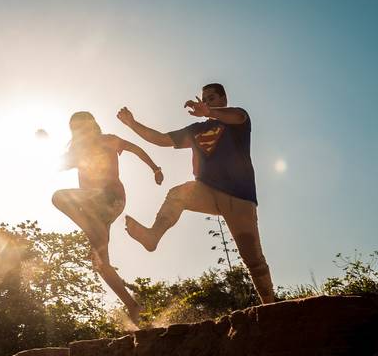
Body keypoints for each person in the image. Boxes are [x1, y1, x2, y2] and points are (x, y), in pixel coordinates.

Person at [116, 83, 275, 304]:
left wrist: (211, 112)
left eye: (211, 98)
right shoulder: (195, 131)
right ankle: (153, 236)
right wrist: (132, 124)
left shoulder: (237, 120)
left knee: (253, 259)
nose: (206, 102)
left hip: (239, 196)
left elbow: (237, 116)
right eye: (204, 99)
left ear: (223, 99)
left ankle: (270, 303)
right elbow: (162, 139)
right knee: (177, 194)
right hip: (206, 190)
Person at [52, 111, 164, 326]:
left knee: (60, 196)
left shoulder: (109, 140)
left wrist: (155, 168)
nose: (81, 132)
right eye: (76, 129)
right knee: (100, 263)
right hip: (94, 210)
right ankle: (132, 306)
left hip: (110, 198)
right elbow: (56, 165)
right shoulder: (76, 152)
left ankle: (91, 226)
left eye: (84, 127)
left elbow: (137, 149)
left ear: (93, 126)